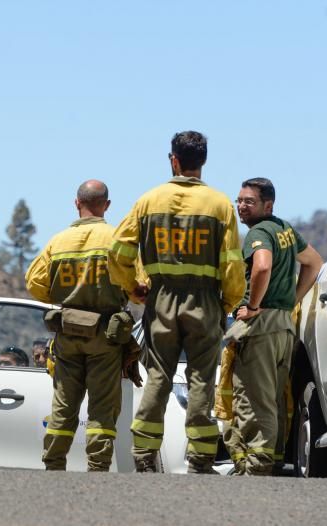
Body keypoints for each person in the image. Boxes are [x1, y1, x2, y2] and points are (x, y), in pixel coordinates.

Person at [109, 131, 246, 473]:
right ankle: (201, 458)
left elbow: (118, 251)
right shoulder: (219, 205)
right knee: (202, 378)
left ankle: (143, 456)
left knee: (158, 377)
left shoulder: (148, 201)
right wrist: (226, 304)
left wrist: (133, 288)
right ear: (203, 161)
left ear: (173, 159)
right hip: (205, 300)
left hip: (161, 299)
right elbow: (232, 264)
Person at [25, 179, 132, 471]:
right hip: (105, 336)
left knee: (63, 405)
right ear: (106, 205)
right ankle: (97, 467)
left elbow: (34, 283)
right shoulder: (116, 239)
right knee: (102, 407)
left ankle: (54, 464)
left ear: (76, 203)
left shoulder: (57, 242)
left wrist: (65, 297)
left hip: (67, 333)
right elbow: (139, 283)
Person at [223, 177, 323, 475]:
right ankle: (272, 460)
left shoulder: (261, 232)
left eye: (249, 202)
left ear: (268, 205)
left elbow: (262, 265)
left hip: (261, 327)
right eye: (239, 200)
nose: (241, 206)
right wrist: (293, 299)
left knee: (254, 399)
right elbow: (314, 262)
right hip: (283, 326)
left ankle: (256, 466)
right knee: (275, 398)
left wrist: (252, 306)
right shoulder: (285, 229)